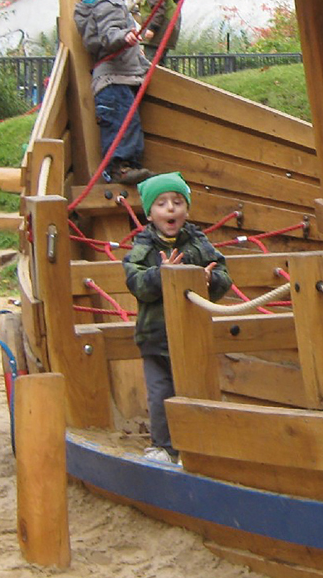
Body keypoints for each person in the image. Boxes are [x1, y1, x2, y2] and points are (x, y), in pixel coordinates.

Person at [123, 172, 232, 464]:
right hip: (156, 335)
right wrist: (162, 275)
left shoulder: (197, 241)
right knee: (161, 393)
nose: (170, 208)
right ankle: (165, 447)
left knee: (196, 388)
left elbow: (222, 274)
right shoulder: (144, 245)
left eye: (177, 201)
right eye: (161, 203)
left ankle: (199, 446)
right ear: (149, 213)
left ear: (186, 209)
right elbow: (135, 281)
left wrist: (210, 281)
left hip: (192, 334)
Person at [75, 0, 154, 186]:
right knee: (121, 123)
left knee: (128, 122)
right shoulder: (109, 3)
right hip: (113, 78)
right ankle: (119, 169)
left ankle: (127, 166)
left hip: (119, 77)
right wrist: (124, 37)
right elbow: (109, 34)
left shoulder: (106, 2)